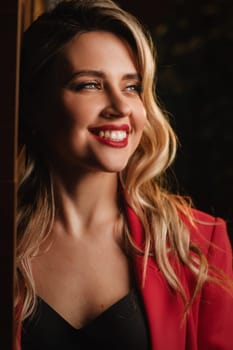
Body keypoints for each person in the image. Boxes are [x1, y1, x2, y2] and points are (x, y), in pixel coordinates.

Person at [16, 0, 233, 349]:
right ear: (33, 106)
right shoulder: (9, 241)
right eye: (89, 85)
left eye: (131, 87)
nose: (120, 107)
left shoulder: (199, 244)